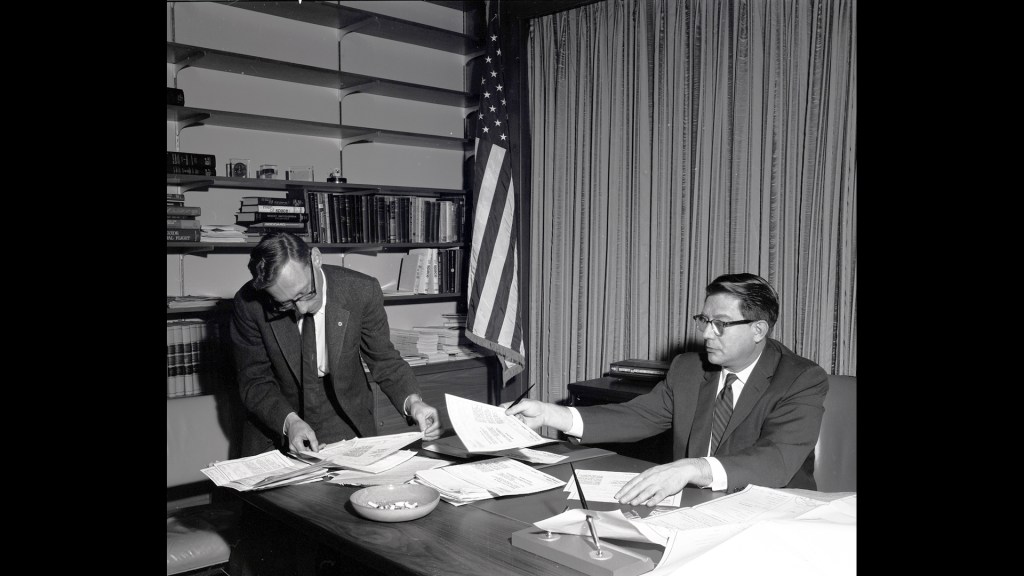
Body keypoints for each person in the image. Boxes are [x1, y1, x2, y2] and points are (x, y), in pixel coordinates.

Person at [505, 273, 828, 506]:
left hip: (771, 508)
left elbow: (776, 459)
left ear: (758, 330)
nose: (706, 334)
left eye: (720, 324)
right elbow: (638, 416)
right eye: (704, 320)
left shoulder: (801, 378)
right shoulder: (688, 368)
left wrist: (693, 468)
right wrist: (550, 414)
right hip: (694, 504)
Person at [230, 231, 442, 457]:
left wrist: (413, 403)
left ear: (315, 258)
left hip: (342, 412)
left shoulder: (361, 291)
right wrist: (289, 422)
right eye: (285, 304)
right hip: (278, 415)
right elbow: (255, 381)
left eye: (305, 293)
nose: (301, 309)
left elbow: (384, 360)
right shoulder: (249, 304)